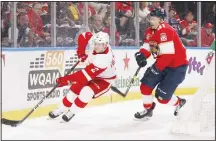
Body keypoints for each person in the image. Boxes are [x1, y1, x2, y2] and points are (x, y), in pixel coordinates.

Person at [48, 31, 116, 122]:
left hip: (104, 80)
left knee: (86, 92)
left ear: (106, 45)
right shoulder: (96, 41)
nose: (96, 46)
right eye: (96, 44)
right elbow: (83, 36)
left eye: (99, 45)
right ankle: (61, 109)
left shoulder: (104, 59)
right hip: (93, 73)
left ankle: (72, 112)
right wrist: (81, 53)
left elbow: (83, 76)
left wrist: (65, 80)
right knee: (75, 88)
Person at [134, 8, 188, 120]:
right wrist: (141, 55)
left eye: (153, 19)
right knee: (145, 86)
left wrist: (156, 68)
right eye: (150, 19)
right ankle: (148, 110)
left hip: (176, 68)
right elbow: (147, 46)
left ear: (161, 20)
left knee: (162, 97)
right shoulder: (150, 30)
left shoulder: (166, 31)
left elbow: (168, 55)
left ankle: (179, 102)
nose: (151, 21)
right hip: (162, 64)